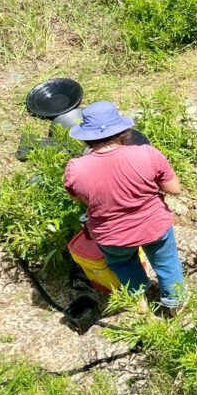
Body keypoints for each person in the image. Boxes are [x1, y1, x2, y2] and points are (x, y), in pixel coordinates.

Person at [63, 101, 187, 312]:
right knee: (167, 265)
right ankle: (175, 307)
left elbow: (79, 198)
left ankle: (141, 308)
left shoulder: (76, 168)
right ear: (122, 131)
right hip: (154, 226)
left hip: (112, 236)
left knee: (123, 266)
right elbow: (174, 189)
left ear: (86, 137)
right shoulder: (147, 153)